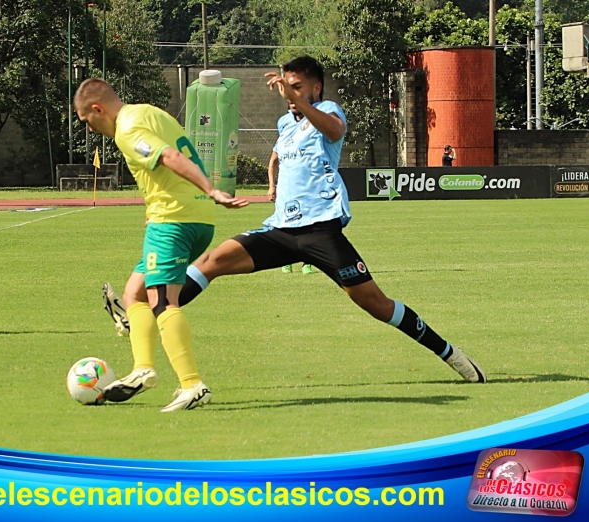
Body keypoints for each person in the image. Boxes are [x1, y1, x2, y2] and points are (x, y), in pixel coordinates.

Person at [106, 56, 486, 385]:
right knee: (210, 262)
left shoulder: (330, 112)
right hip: (281, 230)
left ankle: (450, 353)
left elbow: (335, 131)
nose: (288, 93)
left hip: (321, 231)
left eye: (297, 86)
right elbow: (277, 157)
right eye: (285, 86)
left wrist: (301, 103)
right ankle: (152, 316)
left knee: (375, 303)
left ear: (315, 88)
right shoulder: (286, 126)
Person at [75, 78, 248, 412]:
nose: (91, 129)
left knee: (162, 301)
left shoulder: (127, 129)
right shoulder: (148, 112)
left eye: (87, 121)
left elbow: (168, 156)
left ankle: (191, 384)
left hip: (174, 219)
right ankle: (143, 369)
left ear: (97, 109)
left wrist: (212, 188)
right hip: (195, 217)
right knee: (133, 294)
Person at [268, 150, 313, 275]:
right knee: (286, 226)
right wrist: (272, 186)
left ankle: (307, 262)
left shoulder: (310, 139)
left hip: (306, 191)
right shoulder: (283, 140)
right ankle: (286, 262)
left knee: (308, 226)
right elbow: (273, 162)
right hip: (286, 193)